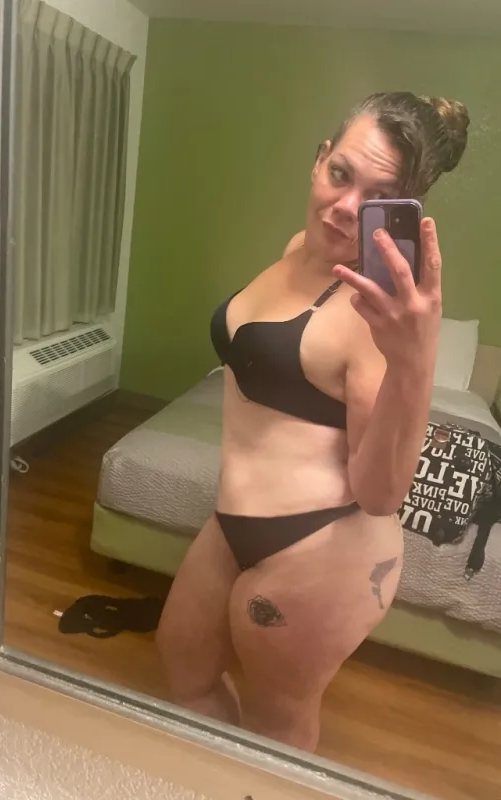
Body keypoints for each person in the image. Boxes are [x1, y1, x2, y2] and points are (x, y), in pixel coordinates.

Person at [156, 92, 470, 752]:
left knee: (278, 727)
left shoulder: (370, 309)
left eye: (378, 197)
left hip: (322, 545)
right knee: (184, 672)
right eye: (341, 174)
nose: (347, 206)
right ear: (320, 159)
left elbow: (381, 493)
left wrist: (414, 361)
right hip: (231, 522)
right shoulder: (299, 247)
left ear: (406, 212)